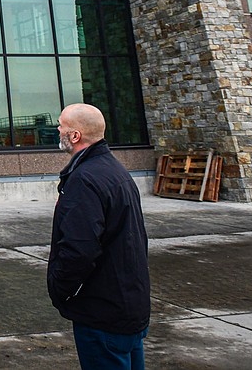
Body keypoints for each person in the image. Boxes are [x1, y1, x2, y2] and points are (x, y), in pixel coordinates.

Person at [47, 103, 150, 370]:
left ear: (75, 136)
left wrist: (61, 291)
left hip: (102, 314)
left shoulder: (85, 179)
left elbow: (79, 249)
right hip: (126, 306)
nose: (57, 129)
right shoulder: (116, 172)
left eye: (61, 125)